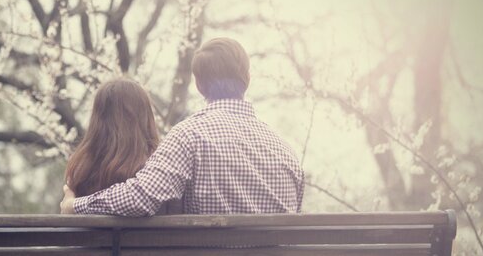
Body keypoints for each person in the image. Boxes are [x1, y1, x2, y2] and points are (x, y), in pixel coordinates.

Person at [60, 37, 304, 216]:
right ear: (247, 80)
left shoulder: (189, 136)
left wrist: (75, 205)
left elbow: (140, 197)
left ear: (198, 85)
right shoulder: (285, 150)